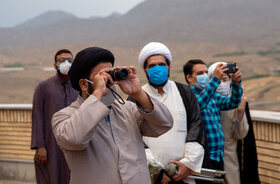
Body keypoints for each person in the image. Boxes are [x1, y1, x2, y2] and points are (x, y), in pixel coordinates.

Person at [51, 46, 174, 184]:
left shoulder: (128, 109)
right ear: (84, 85)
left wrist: (138, 92)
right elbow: (74, 139)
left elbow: (164, 124)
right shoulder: (64, 117)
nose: (109, 80)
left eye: (110, 74)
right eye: (102, 77)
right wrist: (98, 93)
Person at [135, 42, 205, 184]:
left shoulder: (185, 93)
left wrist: (188, 164)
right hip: (151, 177)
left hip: (183, 174)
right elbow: (134, 138)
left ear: (169, 67)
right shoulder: (136, 97)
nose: (157, 69)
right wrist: (154, 169)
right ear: (145, 70)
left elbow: (196, 127)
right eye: (152, 66)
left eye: (161, 64)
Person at [183, 59, 242, 183]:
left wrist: (236, 84)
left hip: (217, 156)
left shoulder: (213, 96)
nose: (205, 75)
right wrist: (215, 80)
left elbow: (233, 102)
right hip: (201, 157)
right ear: (189, 78)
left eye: (206, 72)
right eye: (200, 73)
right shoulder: (186, 95)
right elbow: (198, 105)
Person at [31, 49, 78, 184]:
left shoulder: (78, 87)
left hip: (72, 144)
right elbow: (37, 117)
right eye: (62, 61)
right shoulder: (43, 87)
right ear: (55, 65)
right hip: (49, 146)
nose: (66, 63)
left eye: (69, 60)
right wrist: (40, 146)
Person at [208, 62, 249, 184]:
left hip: (230, 162)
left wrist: (240, 112)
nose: (222, 84)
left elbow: (240, 135)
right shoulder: (206, 102)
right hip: (210, 161)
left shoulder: (235, 102)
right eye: (219, 79)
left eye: (225, 79)